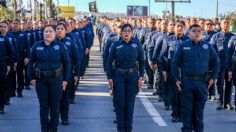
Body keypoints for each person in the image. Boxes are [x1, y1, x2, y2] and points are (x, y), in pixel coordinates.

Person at [171, 24, 220, 132]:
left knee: (199, 113)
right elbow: (174, 63)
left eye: (199, 31)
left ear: (202, 33)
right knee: (187, 112)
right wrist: (176, 79)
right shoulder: (183, 46)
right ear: (189, 33)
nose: (197, 33)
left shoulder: (207, 46)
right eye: (194, 31)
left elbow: (216, 62)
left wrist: (213, 77)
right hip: (187, 82)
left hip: (202, 83)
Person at [28, 25, 71, 132]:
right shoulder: (36, 46)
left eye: (50, 31)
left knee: (55, 107)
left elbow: (67, 63)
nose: (48, 33)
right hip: (41, 80)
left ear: (54, 33)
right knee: (44, 106)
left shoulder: (60, 46)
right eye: (46, 31)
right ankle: (44, 129)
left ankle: (53, 129)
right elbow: (30, 63)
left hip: (56, 80)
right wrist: (31, 78)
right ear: (43, 34)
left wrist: (65, 79)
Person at [106, 24, 144, 132]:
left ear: (132, 33)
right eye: (124, 31)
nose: (127, 33)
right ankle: (121, 129)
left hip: (132, 77)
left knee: (130, 105)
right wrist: (109, 77)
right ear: (121, 33)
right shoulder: (116, 45)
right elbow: (109, 61)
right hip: (118, 77)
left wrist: (141, 77)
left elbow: (142, 61)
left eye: (129, 31)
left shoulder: (136, 45)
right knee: (120, 104)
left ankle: (129, 129)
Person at [159, 21, 189, 121]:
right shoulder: (168, 39)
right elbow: (162, 55)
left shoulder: (188, 40)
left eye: (181, 26)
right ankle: (175, 114)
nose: (179, 28)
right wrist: (163, 69)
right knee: (174, 94)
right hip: (172, 71)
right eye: (177, 26)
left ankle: (182, 114)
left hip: (185, 71)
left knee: (184, 94)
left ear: (184, 28)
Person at [55, 23, 80, 125]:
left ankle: (64, 117)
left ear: (65, 31)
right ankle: (55, 117)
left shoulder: (71, 42)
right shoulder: (52, 42)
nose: (59, 31)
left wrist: (76, 74)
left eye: (62, 29)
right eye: (57, 29)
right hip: (54, 74)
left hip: (67, 73)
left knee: (65, 97)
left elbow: (77, 59)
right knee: (55, 97)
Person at [210, 18, 235, 110]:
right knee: (219, 84)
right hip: (219, 64)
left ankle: (227, 103)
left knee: (229, 83)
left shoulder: (233, 36)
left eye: (228, 23)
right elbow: (212, 51)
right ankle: (219, 102)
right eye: (224, 23)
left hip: (231, 64)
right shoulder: (215, 36)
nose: (226, 25)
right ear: (220, 25)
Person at [0, 20, 18, 104]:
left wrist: (11, 63)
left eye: (4, 27)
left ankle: (5, 100)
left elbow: (13, 52)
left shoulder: (8, 38)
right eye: (1, 26)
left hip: (5, 64)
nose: (2, 28)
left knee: (6, 83)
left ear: (7, 28)